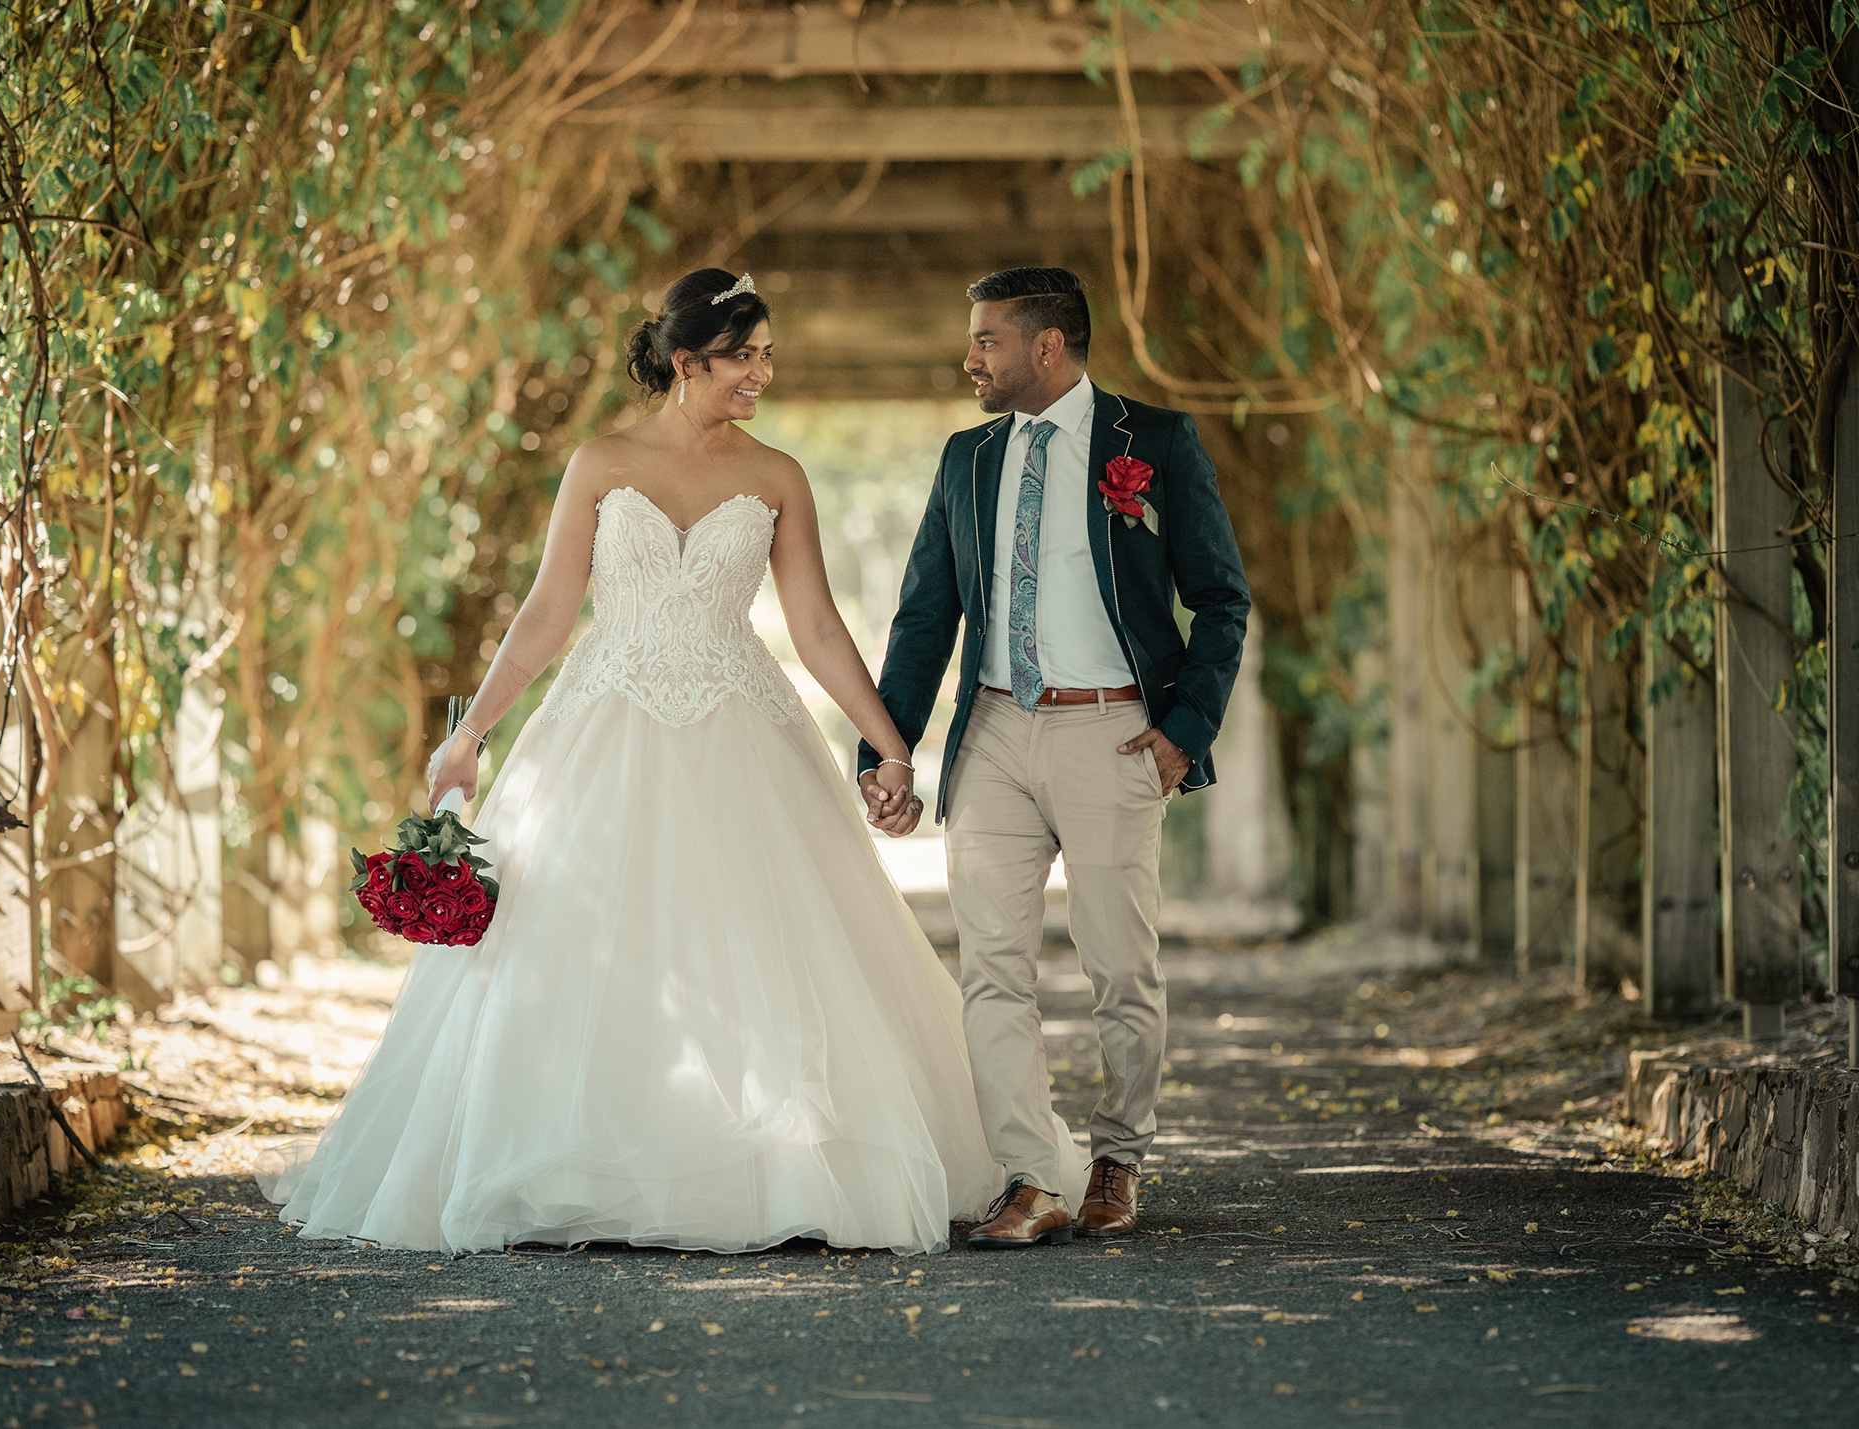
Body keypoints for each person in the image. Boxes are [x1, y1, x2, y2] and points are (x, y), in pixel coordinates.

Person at [259, 268, 1064, 1256]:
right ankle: (576, 1162)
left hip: (742, 723)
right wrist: (469, 736)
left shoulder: (777, 476)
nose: (761, 374)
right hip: (602, 722)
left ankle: (773, 1166)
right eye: (745, 357)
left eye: (768, 356)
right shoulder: (598, 461)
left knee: (761, 933)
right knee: (582, 935)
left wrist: (891, 749)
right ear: (687, 362)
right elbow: (550, 610)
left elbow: (814, 626)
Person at [861, 267, 1250, 1249]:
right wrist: (886, 747)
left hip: (1111, 732)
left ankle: (1118, 1155)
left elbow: (1219, 600)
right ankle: (1033, 1176)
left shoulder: (1151, 443)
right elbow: (922, 614)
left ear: (1046, 345)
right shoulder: (966, 459)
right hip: (991, 732)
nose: (968, 358)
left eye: (986, 339)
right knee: (991, 967)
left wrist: (1183, 729)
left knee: (1120, 967)